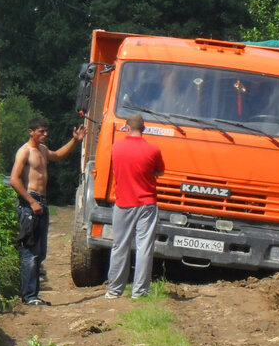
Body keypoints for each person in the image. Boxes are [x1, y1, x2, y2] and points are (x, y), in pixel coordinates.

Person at [9, 116, 86, 306]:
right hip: (30, 204)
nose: (45, 134)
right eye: (41, 131)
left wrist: (75, 140)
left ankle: (33, 295)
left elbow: (58, 155)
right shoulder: (25, 152)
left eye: (46, 131)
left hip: (42, 204)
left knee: (40, 252)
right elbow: (14, 180)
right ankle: (28, 297)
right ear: (31, 132)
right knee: (31, 251)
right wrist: (31, 201)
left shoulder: (42, 150)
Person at [105, 113, 165, 300]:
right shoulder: (153, 150)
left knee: (119, 247)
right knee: (144, 247)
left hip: (123, 203)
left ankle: (114, 291)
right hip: (147, 203)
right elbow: (160, 171)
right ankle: (139, 292)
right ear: (144, 129)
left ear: (127, 128)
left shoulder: (116, 148)